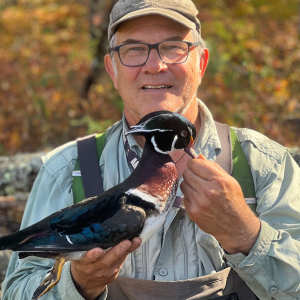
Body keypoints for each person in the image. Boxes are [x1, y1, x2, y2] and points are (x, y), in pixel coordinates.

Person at [2, 0, 300, 299]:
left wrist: (245, 233)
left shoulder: (264, 163)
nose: (155, 66)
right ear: (112, 70)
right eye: (133, 50)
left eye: (173, 47)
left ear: (201, 62)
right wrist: (79, 283)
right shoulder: (66, 169)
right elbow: (15, 291)